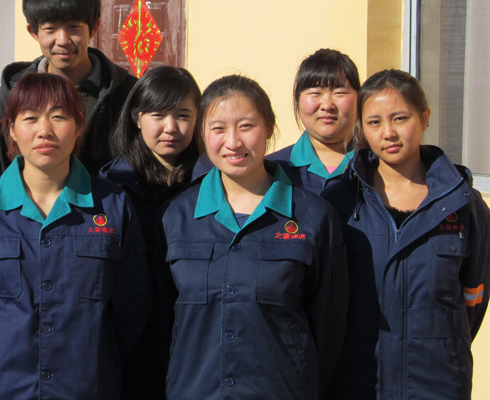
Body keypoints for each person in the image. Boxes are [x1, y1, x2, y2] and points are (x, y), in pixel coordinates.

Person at [0, 73, 150, 399]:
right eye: (30, 118)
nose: (44, 130)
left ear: (78, 126)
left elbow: (132, 304)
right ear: (11, 129)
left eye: (58, 116)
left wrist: (95, 355)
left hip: (85, 387)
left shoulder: (112, 204)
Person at [160, 74, 347, 399]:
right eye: (218, 129)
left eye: (246, 126)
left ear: (269, 128)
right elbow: (159, 323)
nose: (233, 142)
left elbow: (329, 327)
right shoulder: (176, 217)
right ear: (203, 134)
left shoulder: (313, 217)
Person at [323, 69, 490, 400]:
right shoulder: (340, 201)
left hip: (438, 384)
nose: (388, 133)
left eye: (400, 118)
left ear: (424, 117)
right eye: (374, 122)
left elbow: (473, 300)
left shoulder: (464, 205)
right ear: (362, 128)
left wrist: (438, 344)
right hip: (358, 383)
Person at [100, 65, 211, 399]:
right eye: (158, 115)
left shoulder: (214, 185)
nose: (170, 128)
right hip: (129, 353)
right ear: (137, 118)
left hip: (199, 346)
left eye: (183, 115)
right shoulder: (112, 189)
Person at [0, 0, 136, 175]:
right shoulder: (11, 94)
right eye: (50, 29)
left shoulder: (129, 94)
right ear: (33, 32)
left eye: (74, 27)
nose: (62, 40)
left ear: (94, 27)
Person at [269, 48, 360, 194]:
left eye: (339, 93)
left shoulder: (377, 166)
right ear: (297, 100)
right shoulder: (272, 170)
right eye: (315, 93)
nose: (327, 105)